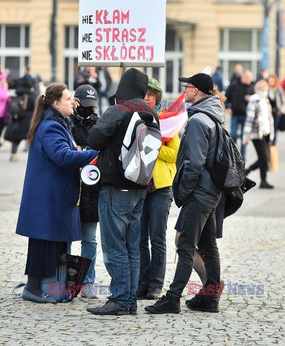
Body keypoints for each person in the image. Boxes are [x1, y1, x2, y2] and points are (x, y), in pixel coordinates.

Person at [145, 73, 223, 315]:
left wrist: (185, 191)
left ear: (197, 91)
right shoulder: (213, 115)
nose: (185, 91)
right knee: (209, 246)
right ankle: (210, 298)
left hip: (199, 192)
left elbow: (194, 163)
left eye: (188, 87)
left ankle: (172, 297)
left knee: (186, 245)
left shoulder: (199, 120)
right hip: (211, 191)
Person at [15, 82, 98, 303]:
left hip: (53, 197)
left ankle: (47, 287)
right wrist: (93, 154)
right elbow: (62, 156)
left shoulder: (58, 123)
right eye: (68, 98)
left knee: (53, 244)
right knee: (43, 244)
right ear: (56, 103)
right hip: (48, 198)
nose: (73, 101)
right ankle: (33, 289)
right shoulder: (51, 126)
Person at [87, 68, 159, 316]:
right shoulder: (151, 112)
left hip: (116, 187)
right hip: (140, 187)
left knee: (114, 246)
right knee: (132, 247)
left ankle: (119, 299)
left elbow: (94, 139)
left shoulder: (119, 110)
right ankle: (129, 301)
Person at [137, 78, 179, 301]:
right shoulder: (135, 118)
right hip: (139, 184)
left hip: (161, 187)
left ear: (157, 98)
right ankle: (142, 282)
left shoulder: (168, 121)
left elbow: (174, 154)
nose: (146, 99)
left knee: (157, 237)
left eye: (150, 95)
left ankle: (156, 284)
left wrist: (153, 146)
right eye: (144, 95)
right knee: (139, 238)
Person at [69, 84, 100, 298]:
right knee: (67, 238)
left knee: (89, 238)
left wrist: (85, 151)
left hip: (91, 188)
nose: (88, 110)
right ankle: (66, 280)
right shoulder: (67, 122)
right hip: (71, 186)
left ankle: (88, 282)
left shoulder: (98, 124)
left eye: (91, 106)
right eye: (84, 106)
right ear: (75, 102)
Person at [243, 80, 274, 189]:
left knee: (265, 157)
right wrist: (245, 136)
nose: (264, 91)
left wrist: (271, 132)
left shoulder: (266, 101)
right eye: (262, 89)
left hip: (266, 133)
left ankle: (247, 170)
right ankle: (263, 181)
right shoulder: (254, 101)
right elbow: (249, 120)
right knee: (264, 157)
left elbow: (269, 118)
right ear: (257, 89)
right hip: (257, 133)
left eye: (266, 89)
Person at [4, 76, 36, 162]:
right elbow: (34, 108)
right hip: (27, 120)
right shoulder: (31, 96)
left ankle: (13, 154)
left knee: (16, 139)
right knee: (32, 138)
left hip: (17, 119)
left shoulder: (18, 94)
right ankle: (32, 157)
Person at [225, 70, 254, 159]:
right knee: (233, 134)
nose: (249, 80)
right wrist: (228, 107)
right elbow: (226, 97)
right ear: (243, 77)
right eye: (248, 78)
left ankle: (242, 157)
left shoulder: (252, 87)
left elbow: (257, 100)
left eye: (250, 78)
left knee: (244, 137)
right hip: (235, 114)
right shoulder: (234, 85)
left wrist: (251, 98)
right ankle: (233, 155)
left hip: (246, 115)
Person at [267, 74, 285, 145]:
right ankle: (268, 143)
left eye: (272, 80)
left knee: (274, 129)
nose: (271, 82)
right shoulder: (266, 89)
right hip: (267, 113)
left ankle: (273, 144)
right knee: (268, 129)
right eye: (269, 80)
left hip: (276, 113)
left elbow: (284, 102)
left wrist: (281, 111)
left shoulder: (279, 89)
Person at [0, 67, 10, 149]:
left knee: (0, 128)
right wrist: (5, 89)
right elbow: (2, 96)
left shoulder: (1, 85)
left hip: (1, 111)